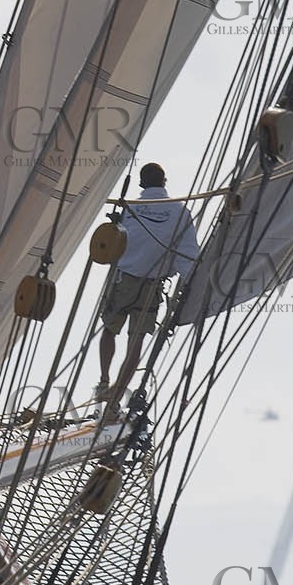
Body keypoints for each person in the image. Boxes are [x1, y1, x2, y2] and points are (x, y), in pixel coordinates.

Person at [97, 162, 200, 417]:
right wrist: (188, 287)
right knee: (136, 342)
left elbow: (111, 244)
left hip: (123, 279)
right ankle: (113, 401)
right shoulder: (180, 212)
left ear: (142, 184)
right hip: (151, 286)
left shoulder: (129, 209)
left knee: (109, 329)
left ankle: (104, 380)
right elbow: (188, 256)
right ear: (164, 182)